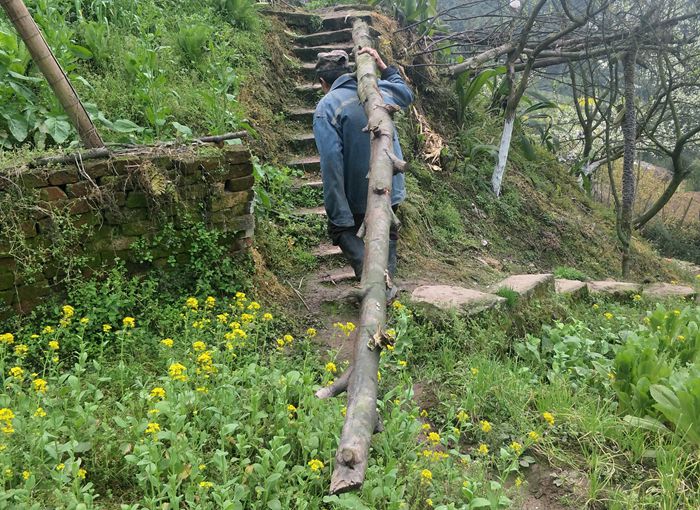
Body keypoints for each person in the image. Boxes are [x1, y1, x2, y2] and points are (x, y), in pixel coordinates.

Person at [312, 47, 413, 281]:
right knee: (386, 233)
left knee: (342, 230)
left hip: (359, 194)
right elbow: (406, 95)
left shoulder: (326, 107)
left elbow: (331, 163)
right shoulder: (378, 90)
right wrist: (383, 66)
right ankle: (386, 284)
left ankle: (373, 281)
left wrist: (339, 214)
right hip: (390, 185)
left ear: (322, 82)